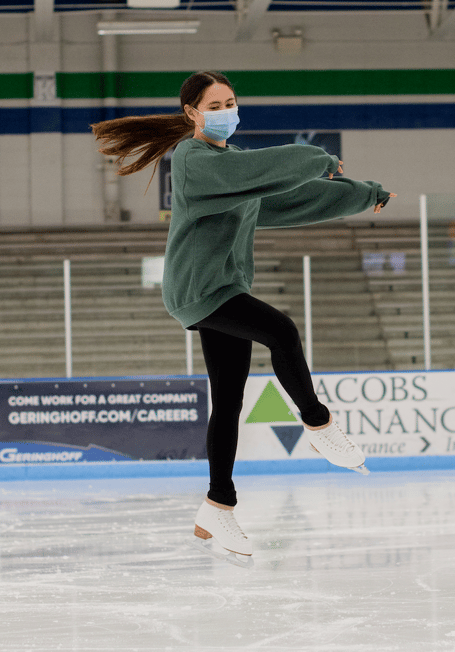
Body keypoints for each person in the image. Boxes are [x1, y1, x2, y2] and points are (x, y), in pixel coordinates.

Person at [93, 71, 396, 565]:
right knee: (281, 331)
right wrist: (316, 158)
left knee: (229, 400)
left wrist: (364, 194)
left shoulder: (232, 168)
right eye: (215, 105)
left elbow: (287, 201)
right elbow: (258, 171)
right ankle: (318, 424)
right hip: (199, 289)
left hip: (224, 289)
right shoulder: (192, 160)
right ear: (192, 113)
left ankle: (217, 504)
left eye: (230, 102)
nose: (226, 111)